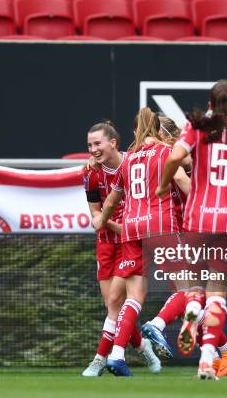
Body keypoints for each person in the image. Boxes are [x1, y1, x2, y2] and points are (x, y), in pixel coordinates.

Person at [155, 80, 227, 380]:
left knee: (194, 287)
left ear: (209, 103)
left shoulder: (196, 129)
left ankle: (192, 316)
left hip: (198, 218)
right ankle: (207, 359)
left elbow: (173, 158)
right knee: (218, 293)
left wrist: (162, 184)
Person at [92, 107, 190, 376]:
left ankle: (117, 355)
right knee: (188, 288)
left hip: (132, 229)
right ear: (159, 129)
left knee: (133, 297)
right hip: (161, 226)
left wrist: (101, 220)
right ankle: (157, 324)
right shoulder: (165, 152)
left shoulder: (129, 158)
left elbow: (112, 200)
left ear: (137, 130)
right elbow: (182, 181)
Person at [81, 121, 160, 376]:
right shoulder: (91, 173)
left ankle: (101, 358)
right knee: (113, 307)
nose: (93, 149)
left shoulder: (135, 162)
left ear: (113, 143)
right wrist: (103, 221)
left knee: (118, 302)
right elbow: (95, 214)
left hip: (133, 242)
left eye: (97, 143)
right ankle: (141, 346)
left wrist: (117, 225)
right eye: (90, 145)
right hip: (107, 243)